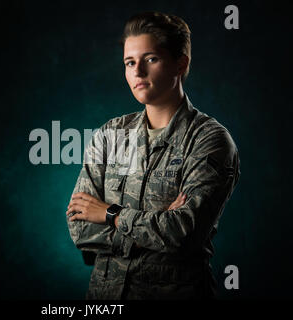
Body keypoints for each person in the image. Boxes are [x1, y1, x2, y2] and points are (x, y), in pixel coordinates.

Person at [66, 11, 240, 300]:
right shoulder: (111, 135)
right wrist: (156, 227)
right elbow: (79, 226)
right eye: (130, 63)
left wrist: (110, 214)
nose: (138, 72)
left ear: (180, 63)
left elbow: (183, 232)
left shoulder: (209, 140)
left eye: (151, 59)